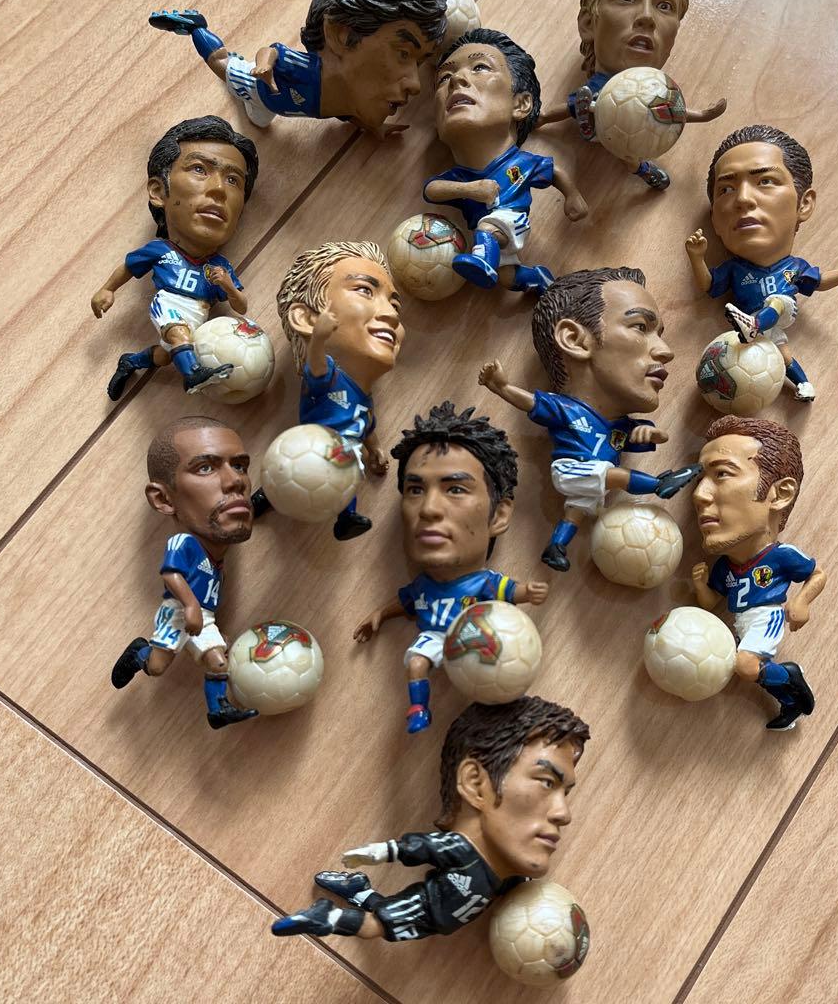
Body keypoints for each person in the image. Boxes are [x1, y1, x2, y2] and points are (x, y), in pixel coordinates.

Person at [271, 695, 589, 940]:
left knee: (388, 917)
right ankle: (327, 918)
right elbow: (422, 847)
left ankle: (358, 889)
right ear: (475, 783)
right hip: (429, 907)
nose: (564, 814)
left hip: (439, 922)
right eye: (546, 783)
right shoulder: (462, 852)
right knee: (378, 925)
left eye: (565, 793)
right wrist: (379, 852)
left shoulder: (509, 880)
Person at [479, 266, 699, 572]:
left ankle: (557, 547)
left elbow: (646, 436)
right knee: (609, 475)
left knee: (577, 509)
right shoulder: (565, 410)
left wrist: (650, 435)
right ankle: (658, 484)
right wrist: (501, 387)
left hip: (588, 481)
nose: (666, 351)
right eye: (640, 327)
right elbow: (530, 402)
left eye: (659, 334)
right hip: (572, 470)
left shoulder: (619, 426)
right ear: (575, 339)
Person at [353, 402, 548, 733]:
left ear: (499, 515)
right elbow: (404, 603)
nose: (428, 509)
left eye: (455, 489)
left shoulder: (485, 586)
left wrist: (528, 592)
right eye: (415, 489)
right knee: (416, 663)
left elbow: (510, 591)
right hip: (432, 638)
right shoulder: (421, 587)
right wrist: (380, 615)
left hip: (477, 641)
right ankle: (418, 709)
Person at [149, 0, 446, 137]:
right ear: (341, 34)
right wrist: (263, 68)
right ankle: (196, 26)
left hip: (270, 105)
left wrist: (375, 128)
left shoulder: (347, 98)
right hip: (257, 86)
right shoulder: (307, 70)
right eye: (403, 53)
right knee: (221, 63)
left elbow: (349, 115)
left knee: (260, 121)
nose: (416, 85)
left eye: (420, 63)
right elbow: (272, 51)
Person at [685, 124, 838, 401]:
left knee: (780, 301)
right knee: (783, 356)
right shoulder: (735, 270)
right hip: (759, 329)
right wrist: (696, 257)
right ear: (714, 218)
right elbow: (708, 285)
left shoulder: (793, 268)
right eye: (726, 189)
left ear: (804, 204)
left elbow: (819, 282)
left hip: (776, 312)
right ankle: (803, 385)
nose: (743, 199)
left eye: (765, 181)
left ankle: (754, 324)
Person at [535, 0, 726, 190]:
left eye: (664, 5)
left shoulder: (662, 97)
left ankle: (645, 170)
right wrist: (541, 117)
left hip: (637, 135)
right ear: (588, 23)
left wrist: (704, 115)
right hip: (595, 101)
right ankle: (591, 114)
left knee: (632, 156)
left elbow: (675, 113)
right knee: (585, 100)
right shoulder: (593, 88)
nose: (647, 17)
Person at [91, 116, 259, 399]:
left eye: (233, 180)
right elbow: (129, 266)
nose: (219, 189)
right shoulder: (161, 251)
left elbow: (241, 306)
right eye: (199, 169)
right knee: (179, 335)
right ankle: (192, 374)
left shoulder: (218, 267)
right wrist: (107, 289)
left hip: (198, 315)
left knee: (166, 354)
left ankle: (131, 362)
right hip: (168, 304)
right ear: (159, 191)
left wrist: (227, 285)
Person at [110, 416, 258, 729]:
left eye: (240, 466)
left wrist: (211, 625)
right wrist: (190, 606)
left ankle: (218, 710)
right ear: (164, 499)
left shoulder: (216, 559)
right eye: (205, 468)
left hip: (202, 617)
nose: (235, 481)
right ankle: (139, 654)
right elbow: (171, 575)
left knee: (218, 662)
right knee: (157, 667)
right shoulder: (183, 544)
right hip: (178, 613)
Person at [251, 240, 403, 541]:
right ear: (307, 319)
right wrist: (319, 339)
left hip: (344, 454)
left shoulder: (364, 399)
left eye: (396, 305)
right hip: (314, 449)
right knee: (293, 473)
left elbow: (367, 425)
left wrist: (375, 448)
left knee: (346, 477)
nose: (393, 315)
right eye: (364, 290)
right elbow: (317, 365)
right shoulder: (328, 376)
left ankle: (346, 518)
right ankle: (264, 496)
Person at [424, 28, 588, 297]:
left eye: (479, 67)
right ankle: (537, 279)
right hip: (494, 231)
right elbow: (432, 190)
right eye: (444, 77)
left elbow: (554, 171)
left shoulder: (521, 163)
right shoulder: (461, 177)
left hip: (512, 219)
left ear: (521, 104)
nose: (456, 80)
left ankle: (482, 259)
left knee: (488, 228)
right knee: (506, 276)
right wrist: (470, 189)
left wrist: (573, 196)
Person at [691, 415, 826, 730]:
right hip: (741, 622)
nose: (698, 494)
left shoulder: (780, 556)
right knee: (752, 668)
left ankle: (791, 677)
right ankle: (789, 700)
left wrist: (801, 602)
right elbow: (712, 601)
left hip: (767, 617)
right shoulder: (724, 567)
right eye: (700, 478)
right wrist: (700, 585)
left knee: (746, 665)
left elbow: (817, 573)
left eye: (722, 473)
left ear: (780, 494)